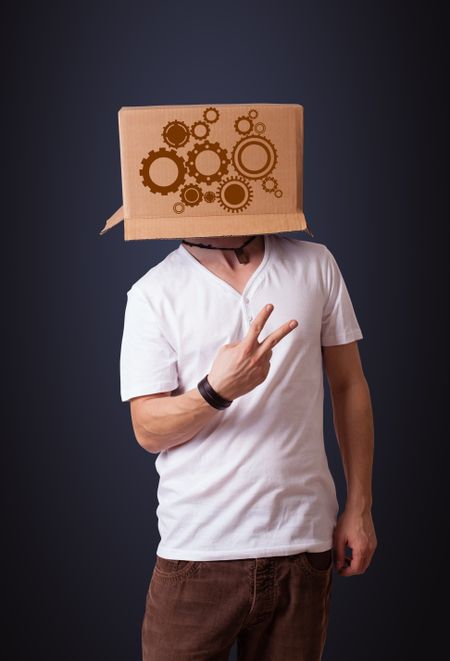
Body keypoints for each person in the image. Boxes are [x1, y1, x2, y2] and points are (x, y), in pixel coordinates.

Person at [119, 231, 377, 661]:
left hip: (302, 549)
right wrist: (217, 390)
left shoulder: (315, 264)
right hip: (198, 555)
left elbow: (350, 385)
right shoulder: (154, 292)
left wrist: (360, 507)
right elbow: (147, 428)